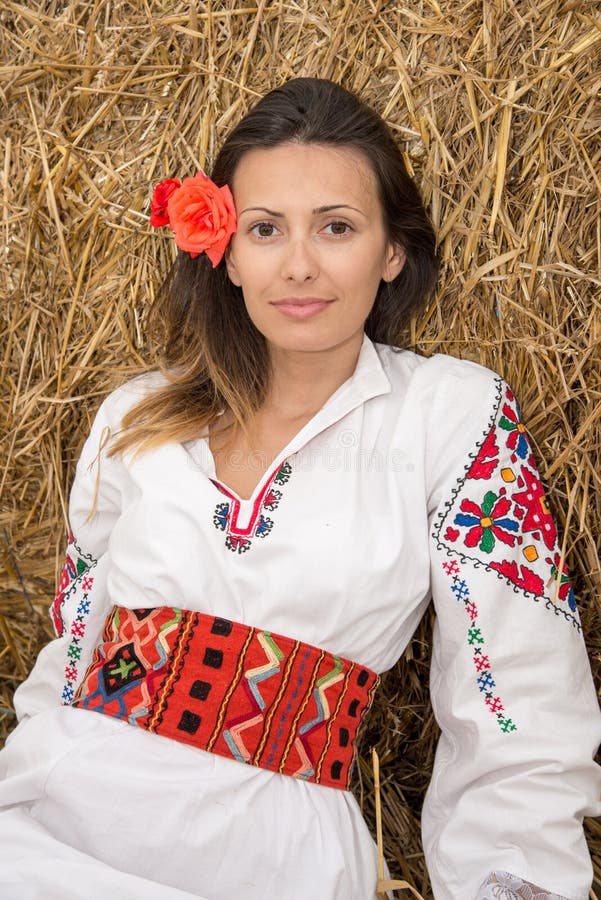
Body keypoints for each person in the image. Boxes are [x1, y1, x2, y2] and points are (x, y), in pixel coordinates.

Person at [0, 77, 599, 900]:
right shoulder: (133, 417)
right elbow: (72, 649)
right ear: (225, 250)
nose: (300, 265)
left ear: (392, 251)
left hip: (273, 858)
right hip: (53, 822)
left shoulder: (451, 416)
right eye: (266, 229)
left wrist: (514, 883)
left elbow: (518, 699)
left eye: (338, 227)